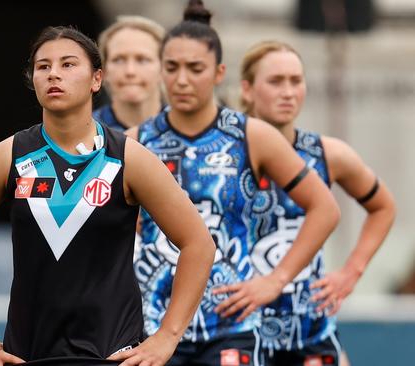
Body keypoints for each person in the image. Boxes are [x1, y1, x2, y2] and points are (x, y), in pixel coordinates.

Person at [0, 25, 217, 366]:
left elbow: (198, 245)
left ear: (97, 80)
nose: (54, 74)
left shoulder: (129, 157)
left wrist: (166, 337)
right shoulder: (10, 156)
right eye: (43, 66)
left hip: (112, 354)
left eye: (68, 65)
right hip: (28, 355)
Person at [128, 1, 341, 365]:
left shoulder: (250, 136)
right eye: (172, 68)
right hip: (154, 325)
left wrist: (274, 281)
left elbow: (324, 208)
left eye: (195, 68)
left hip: (231, 325)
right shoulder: (135, 141)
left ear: (218, 72)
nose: (181, 80)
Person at [239, 40, 396, 365]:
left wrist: (352, 272)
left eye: (296, 81)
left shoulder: (327, 154)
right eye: (275, 81)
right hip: (239, 329)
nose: (288, 91)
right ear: (248, 89)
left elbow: (383, 207)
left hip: (308, 329)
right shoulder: (224, 154)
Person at [93, 15, 166, 131]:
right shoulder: (84, 132)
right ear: (104, 71)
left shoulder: (190, 127)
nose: (130, 71)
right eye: (118, 59)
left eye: (142, 59)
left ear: (164, 68)